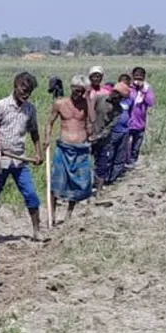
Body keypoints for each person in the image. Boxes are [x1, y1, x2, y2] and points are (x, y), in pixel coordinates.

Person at [0, 71, 45, 241]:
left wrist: (37, 152)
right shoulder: (0, 106)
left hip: (20, 160)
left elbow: (34, 132)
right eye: (23, 89)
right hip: (0, 159)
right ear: (16, 86)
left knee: (31, 195)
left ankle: (37, 230)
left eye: (29, 91)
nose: (26, 94)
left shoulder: (30, 109)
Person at [47, 75, 94, 222]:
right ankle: (52, 215)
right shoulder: (60, 103)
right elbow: (49, 123)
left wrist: (88, 99)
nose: (78, 94)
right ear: (71, 88)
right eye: (76, 90)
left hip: (81, 149)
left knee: (78, 183)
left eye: (81, 91)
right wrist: (47, 138)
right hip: (63, 147)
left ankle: (69, 214)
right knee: (56, 182)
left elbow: (92, 120)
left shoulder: (86, 104)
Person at [90, 80, 134, 190]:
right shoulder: (99, 98)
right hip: (88, 135)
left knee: (102, 164)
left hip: (103, 140)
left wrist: (98, 136)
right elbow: (89, 113)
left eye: (120, 98)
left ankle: (99, 189)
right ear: (113, 92)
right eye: (116, 95)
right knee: (85, 162)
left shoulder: (118, 110)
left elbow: (109, 127)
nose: (116, 98)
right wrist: (89, 131)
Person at [125, 66, 155, 168]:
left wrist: (143, 91)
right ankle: (125, 162)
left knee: (136, 145)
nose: (138, 80)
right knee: (125, 145)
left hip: (140, 122)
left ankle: (133, 162)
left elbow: (150, 102)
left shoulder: (147, 88)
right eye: (136, 77)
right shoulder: (129, 88)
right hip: (128, 122)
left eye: (140, 78)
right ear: (133, 77)